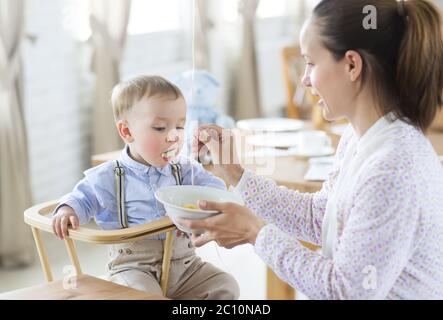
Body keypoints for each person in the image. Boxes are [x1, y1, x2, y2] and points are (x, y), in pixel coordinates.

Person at [179, 0, 443, 299]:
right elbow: (320, 218)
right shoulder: (361, 139)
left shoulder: (393, 167)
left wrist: (256, 232)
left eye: (311, 63)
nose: (304, 78)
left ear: (352, 65)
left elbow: (345, 291)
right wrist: (235, 173)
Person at [51, 75, 239, 299]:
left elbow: (214, 190)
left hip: (185, 265)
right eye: (160, 128)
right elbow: (82, 198)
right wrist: (67, 210)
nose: (173, 137)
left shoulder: (185, 169)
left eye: (180, 127)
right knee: (144, 296)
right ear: (127, 132)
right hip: (133, 268)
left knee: (225, 285)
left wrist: (208, 209)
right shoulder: (110, 175)